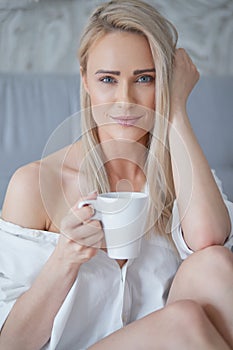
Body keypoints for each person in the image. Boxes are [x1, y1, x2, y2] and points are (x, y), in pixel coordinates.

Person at [0, 0, 233, 349]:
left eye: (145, 79)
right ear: (86, 81)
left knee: (214, 264)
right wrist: (66, 257)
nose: (125, 101)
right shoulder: (34, 185)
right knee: (183, 320)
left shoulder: (184, 175)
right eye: (108, 79)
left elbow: (209, 241)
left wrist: (177, 112)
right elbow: (11, 344)